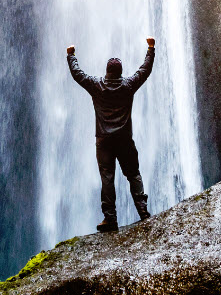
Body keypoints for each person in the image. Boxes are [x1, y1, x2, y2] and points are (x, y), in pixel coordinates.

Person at [66, 37, 155, 232]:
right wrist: (150, 49)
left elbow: (78, 74)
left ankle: (110, 219)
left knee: (107, 177)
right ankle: (143, 211)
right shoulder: (128, 85)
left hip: (104, 141)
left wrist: (71, 55)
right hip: (124, 139)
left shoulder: (97, 86)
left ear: (107, 72)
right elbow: (144, 71)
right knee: (133, 174)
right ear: (121, 73)